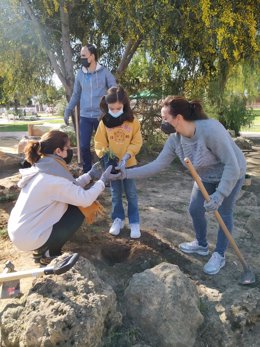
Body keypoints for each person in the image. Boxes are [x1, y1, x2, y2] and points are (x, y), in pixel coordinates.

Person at [117, 96, 246, 275]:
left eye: (165, 118)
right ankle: (201, 245)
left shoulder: (210, 130)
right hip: (205, 177)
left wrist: (220, 195)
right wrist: (125, 174)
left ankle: (219, 255)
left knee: (223, 214)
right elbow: (156, 165)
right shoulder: (175, 140)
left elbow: (232, 165)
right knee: (195, 209)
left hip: (232, 172)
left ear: (178, 118)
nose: (162, 123)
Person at [8, 130, 117, 265]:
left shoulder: (43, 168)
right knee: (79, 210)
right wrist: (102, 181)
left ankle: (44, 247)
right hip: (28, 237)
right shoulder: (52, 178)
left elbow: (70, 187)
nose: (70, 152)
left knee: (72, 203)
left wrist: (89, 175)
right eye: (68, 148)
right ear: (58, 151)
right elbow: (84, 198)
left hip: (20, 230)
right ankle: (49, 253)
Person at [94, 86, 143, 238]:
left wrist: (127, 156)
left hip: (129, 166)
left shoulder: (133, 121)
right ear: (107, 106)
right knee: (115, 194)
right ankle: (118, 219)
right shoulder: (104, 123)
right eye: (112, 108)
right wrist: (108, 157)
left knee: (131, 194)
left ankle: (134, 222)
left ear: (125, 105)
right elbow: (99, 143)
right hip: (112, 167)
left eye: (118, 108)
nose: (115, 111)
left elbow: (137, 141)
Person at [64, 43, 117, 173]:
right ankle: (87, 173)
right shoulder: (80, 74)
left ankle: (108, 172)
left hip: (101, 116)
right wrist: (67, 109)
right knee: (83, 146)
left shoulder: (104, 72)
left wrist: (111, 106)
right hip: (85, 116)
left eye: (83, 55)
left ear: (92, 56)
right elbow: (76, 94)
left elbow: (114, 89)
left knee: (105, 146)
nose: (81, 58)